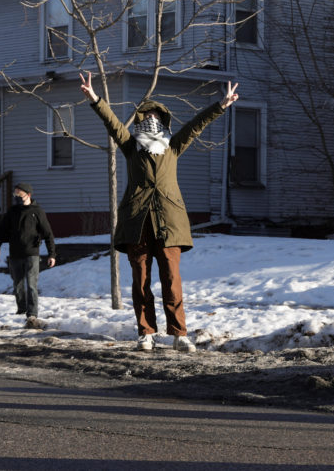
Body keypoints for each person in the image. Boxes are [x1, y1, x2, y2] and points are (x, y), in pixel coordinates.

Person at [79, 72, 238, 353]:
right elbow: (113, 124)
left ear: (162, 120)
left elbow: (195, 126)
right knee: (140, 282)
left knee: (171, 281)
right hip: (137, 223)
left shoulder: (172, 147)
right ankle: (146, 333)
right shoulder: (131, 148)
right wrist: (95, 99)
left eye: (155, 115)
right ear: (140, 120)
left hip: (169, 223)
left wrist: (221, 105)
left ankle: (179, 333)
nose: (151, 118)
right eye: (146, 115)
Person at [0, 182, 57, 328]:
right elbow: (2, 230)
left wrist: (52, 254)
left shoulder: (37, 211)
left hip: (32, 253)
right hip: (15, 253)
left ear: (28, 195)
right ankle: (21, 310)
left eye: (19, 194)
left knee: (32, 285)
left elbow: (48, 234)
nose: (17, 197)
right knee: (18, 285)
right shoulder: (12, 212)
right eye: (15, 194)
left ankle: (32, 313)